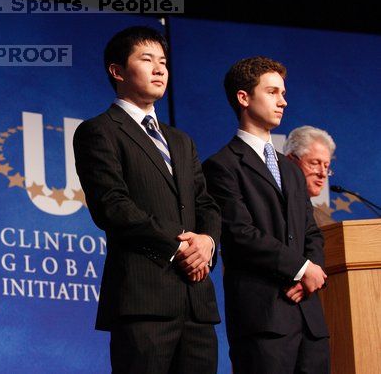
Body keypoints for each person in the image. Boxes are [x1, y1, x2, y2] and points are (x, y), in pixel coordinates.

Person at [73, 26, 221, 374]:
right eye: (147, 60)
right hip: (144, 299)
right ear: (117, 71)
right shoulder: (100, 131)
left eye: (164, 62)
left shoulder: (181, 141)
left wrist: (207, 242)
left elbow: (206, 204)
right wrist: (180, 247)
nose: (159, 69)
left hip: (197, 301)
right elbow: (113, 206)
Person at [203, 57, 329, 374]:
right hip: (264, 320)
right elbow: (240, 234)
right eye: (272, 92)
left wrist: (311, 273)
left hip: (309, 319)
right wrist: (300, 268)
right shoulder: (222, 166)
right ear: (244, 98)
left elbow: (311, 232)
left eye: (283, 93)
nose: (283, 101)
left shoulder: (290, 168)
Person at [284, 126, 337, 227]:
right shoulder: (271, 206)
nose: (323, 174)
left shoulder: (326, 222)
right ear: (290, 161)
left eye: (326, 166)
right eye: (315, 163)